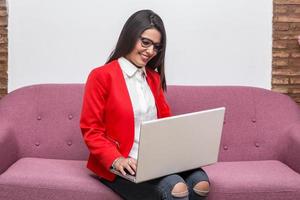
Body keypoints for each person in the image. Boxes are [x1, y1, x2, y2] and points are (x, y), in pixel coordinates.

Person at [80, 9, 210, 200]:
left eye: (156, 47)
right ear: (130, 37)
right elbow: (91, 130)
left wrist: (185, 150)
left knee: (201, 183)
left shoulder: (153, 78)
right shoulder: (101, 76)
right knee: (176, 188)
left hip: (157, 158)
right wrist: (116, 159)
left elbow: (166, 124)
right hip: (123, 161)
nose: (150, 51)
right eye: (145, 42)